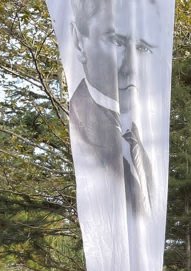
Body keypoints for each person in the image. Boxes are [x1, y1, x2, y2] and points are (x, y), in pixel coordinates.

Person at [67, 0, 161, 217]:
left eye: (142, 48)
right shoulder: (82, 129)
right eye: (117, 42)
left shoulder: (147, 136)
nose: (131, 67)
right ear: (79, 42)